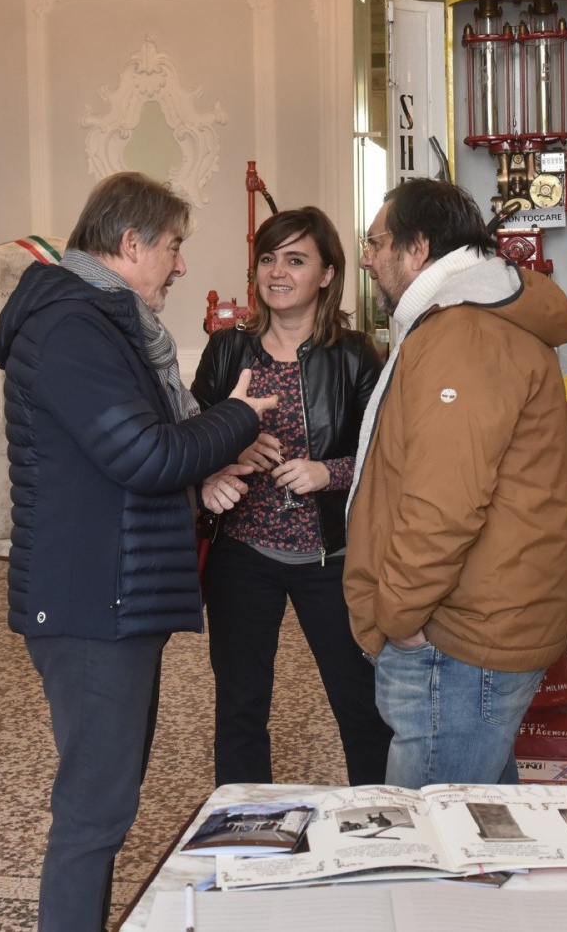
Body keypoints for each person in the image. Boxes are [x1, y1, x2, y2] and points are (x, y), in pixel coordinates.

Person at [0, 171, 277, 932]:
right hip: (91, 604)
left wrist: (202, 474)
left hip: (110, 598)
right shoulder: (73, 329)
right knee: (93, 815)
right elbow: (143, 454)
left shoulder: (98, 323)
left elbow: (116, 465)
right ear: (130, 244)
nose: (181, 265)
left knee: (105, 807)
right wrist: (240, 417)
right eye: (174, 246)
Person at [344, 178, 567, 789]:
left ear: (418, 248)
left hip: (459, 637)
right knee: (480, 824)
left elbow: (443, 505)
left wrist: (397, 613)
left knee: (433, 843)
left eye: (375, 243)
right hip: (477, 621)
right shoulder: (469, 320)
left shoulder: (463, 334)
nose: (366, 258)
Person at [191, 206, 392, 787]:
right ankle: (244, 837)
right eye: (269, 259)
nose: (277, 272)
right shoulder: (229, 350)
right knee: (240, 710)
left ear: (327, 274)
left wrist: (327, 474)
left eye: (296, 260)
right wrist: (228, 453)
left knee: (360, 710)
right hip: (242, 557)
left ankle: (376, 832)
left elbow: (386, 458)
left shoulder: (355, 355)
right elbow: (187, 439)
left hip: (330, 559)